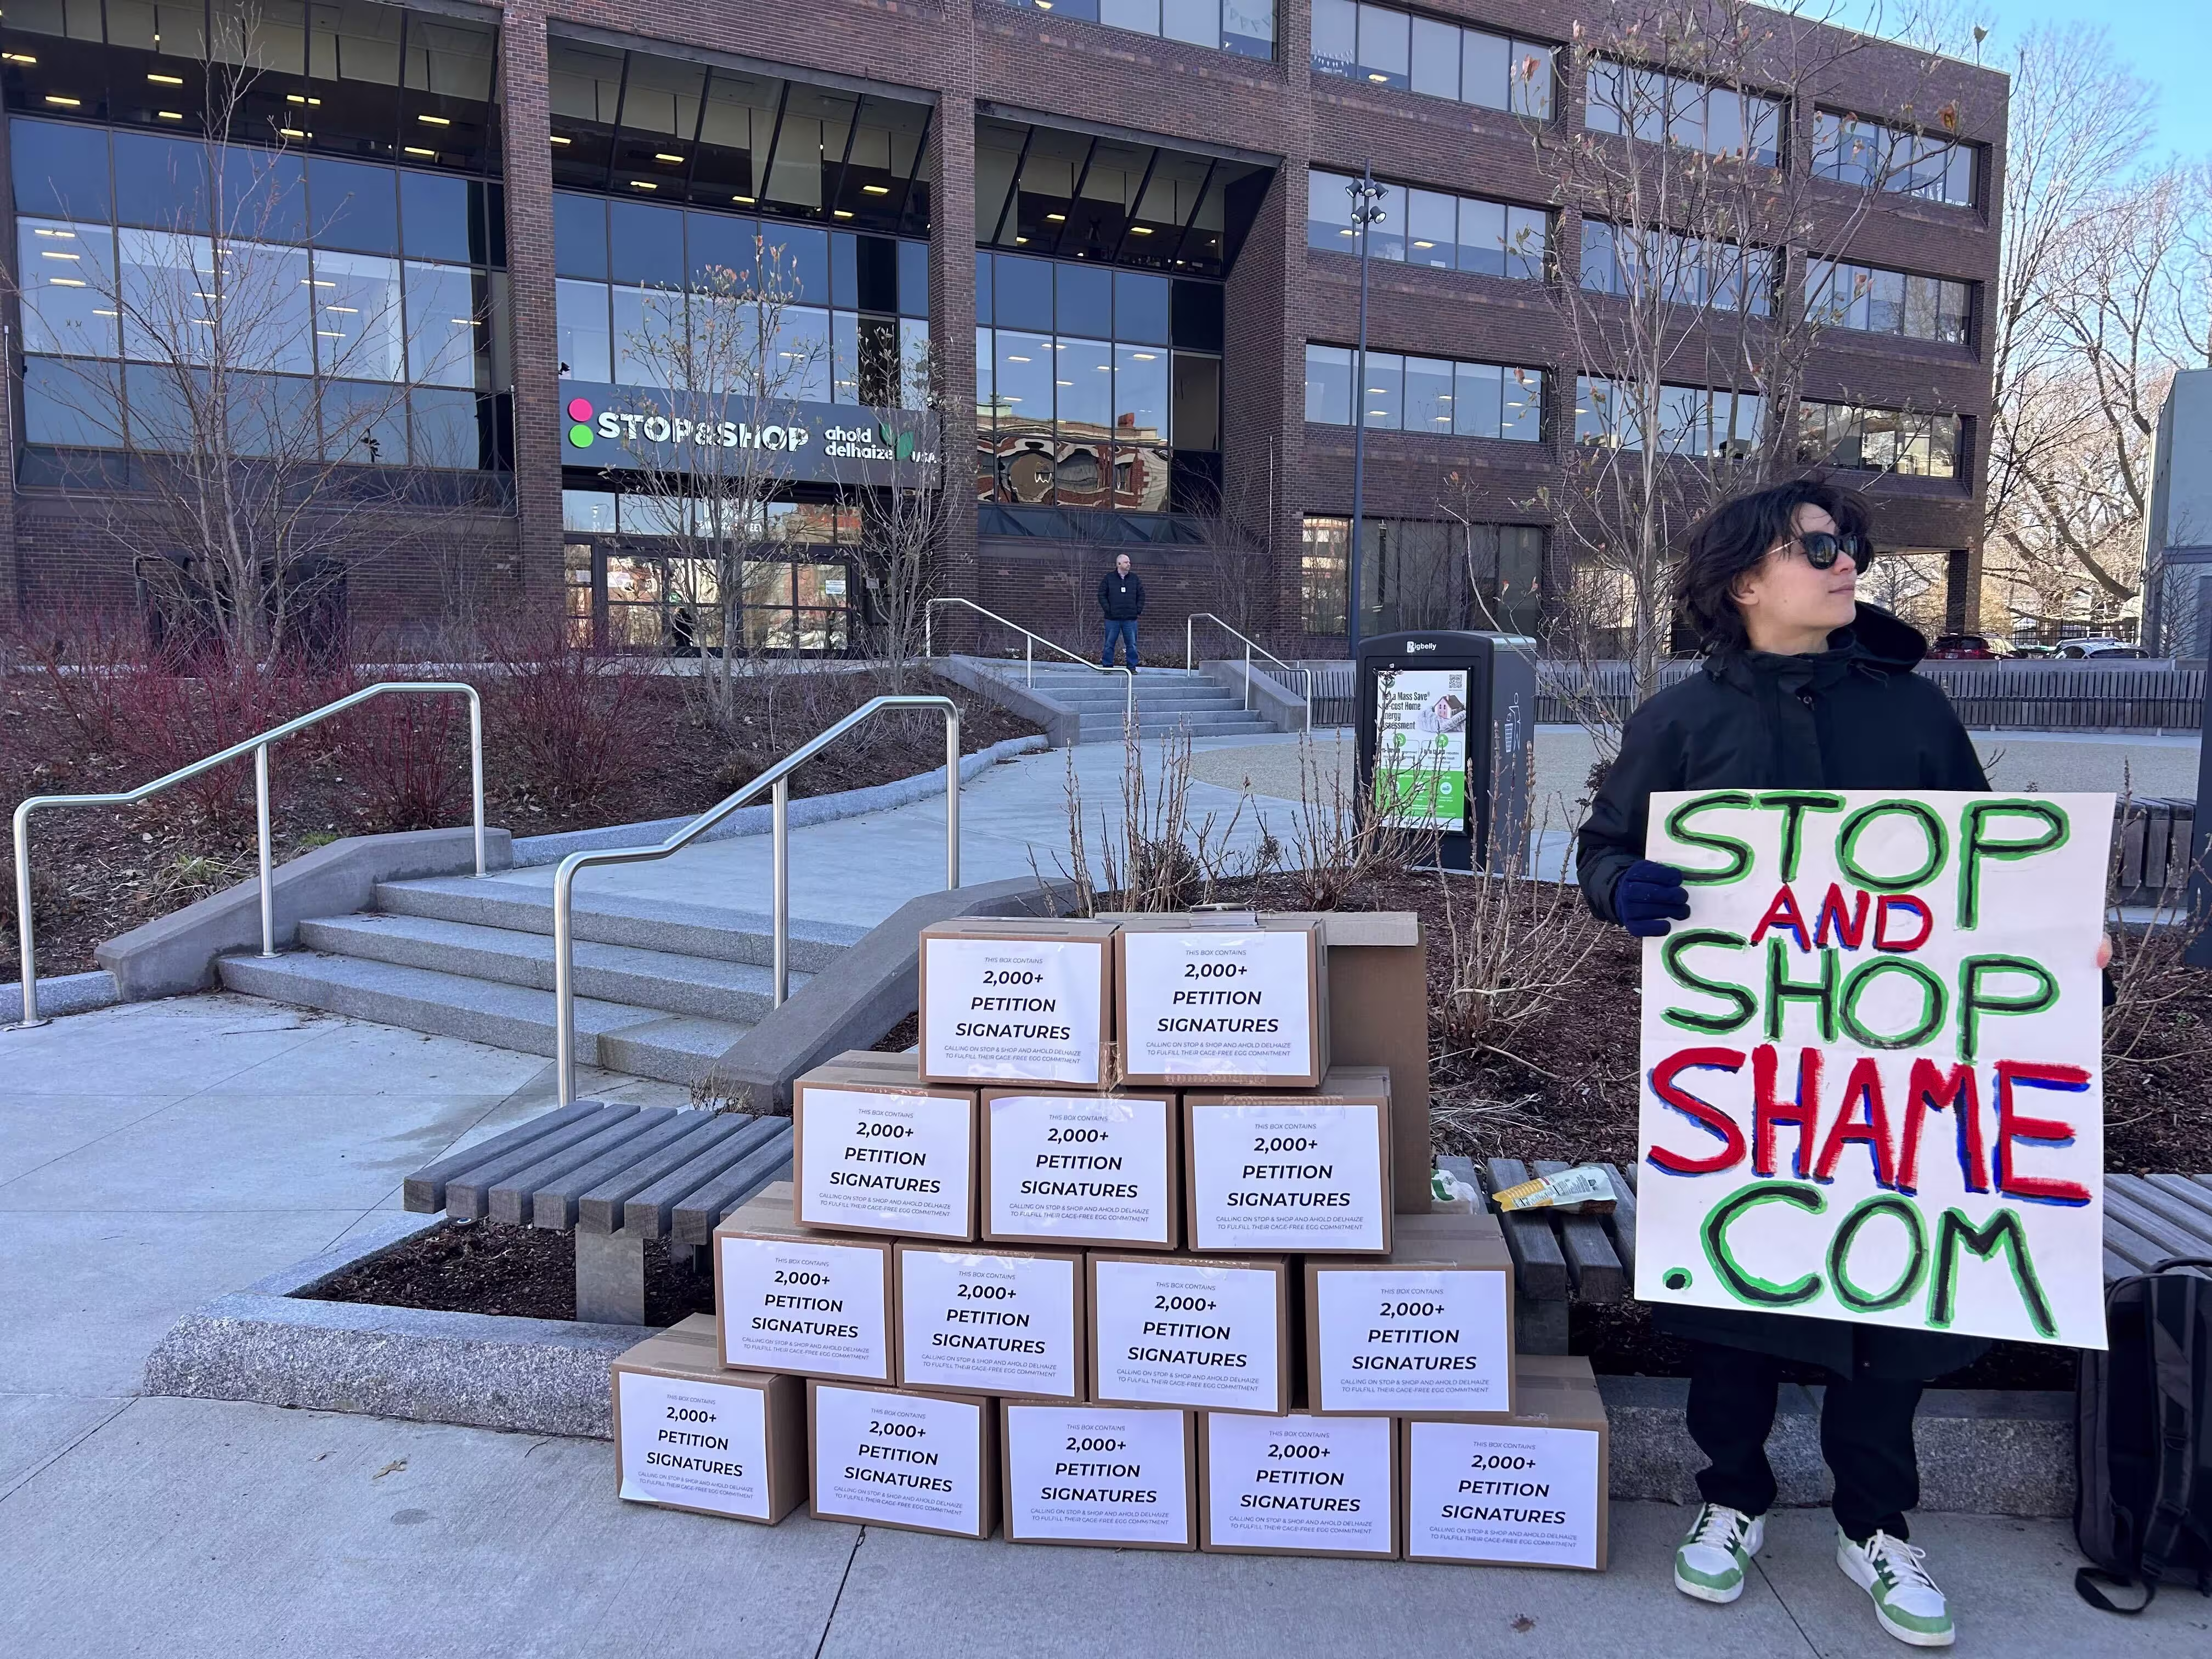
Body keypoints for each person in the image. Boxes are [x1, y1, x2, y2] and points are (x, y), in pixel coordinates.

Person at [1577, 477, 2108, 1649]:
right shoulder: (1678, 723)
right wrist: (1627, 885)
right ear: (1744, 583)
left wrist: (2067, 954)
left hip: (1895, 1075)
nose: (1843, 561)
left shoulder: (1913, 713)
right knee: (1734, 1286)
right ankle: (1732, 1499)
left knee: (1893, 1286)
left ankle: (1878, 1520)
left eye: (1848, 545)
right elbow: (1605, 843)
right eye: (1815, 546)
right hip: (1746, 1076)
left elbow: (1985, 874)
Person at [1098, 552, 1144, 670]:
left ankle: (1132, 668)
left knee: (1132, 645)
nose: (1129, 564)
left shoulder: (1134, 579)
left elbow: (1141, 595)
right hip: (1112, 619)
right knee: (1109, 644)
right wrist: (1109, 610)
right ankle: (1107, 667)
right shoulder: (1109, 578)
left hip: (1130, 618)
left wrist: (1138, 610)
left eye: (1129, 562)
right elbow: (1102, 595)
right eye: (1126, 562)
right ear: (1119, 564)